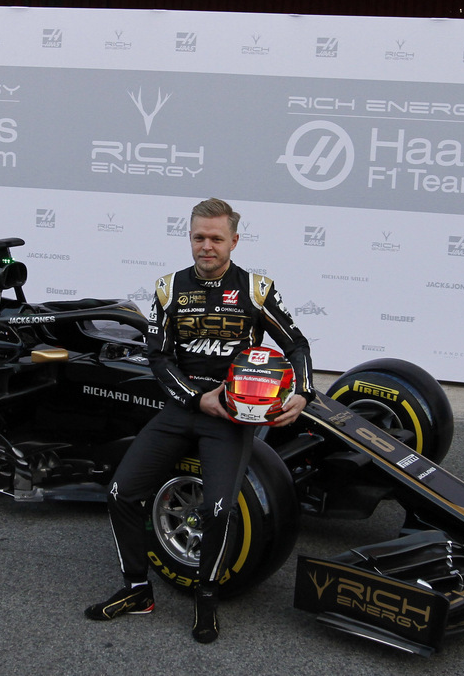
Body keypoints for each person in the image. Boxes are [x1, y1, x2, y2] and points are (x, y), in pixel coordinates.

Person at [85, 197, 314, 643]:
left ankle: (205, 596)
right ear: (189, 238)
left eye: (215, 238)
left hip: (231, 414)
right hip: (183, 407)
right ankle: (136, 589)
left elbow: (298, 344)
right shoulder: (169, 288)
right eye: (198, 237)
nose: (206, 246)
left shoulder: (255, 289)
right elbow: (158, 356)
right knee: (119, 493)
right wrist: (195, 398)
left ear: (233, 240)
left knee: (218, 508)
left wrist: (302, 392)